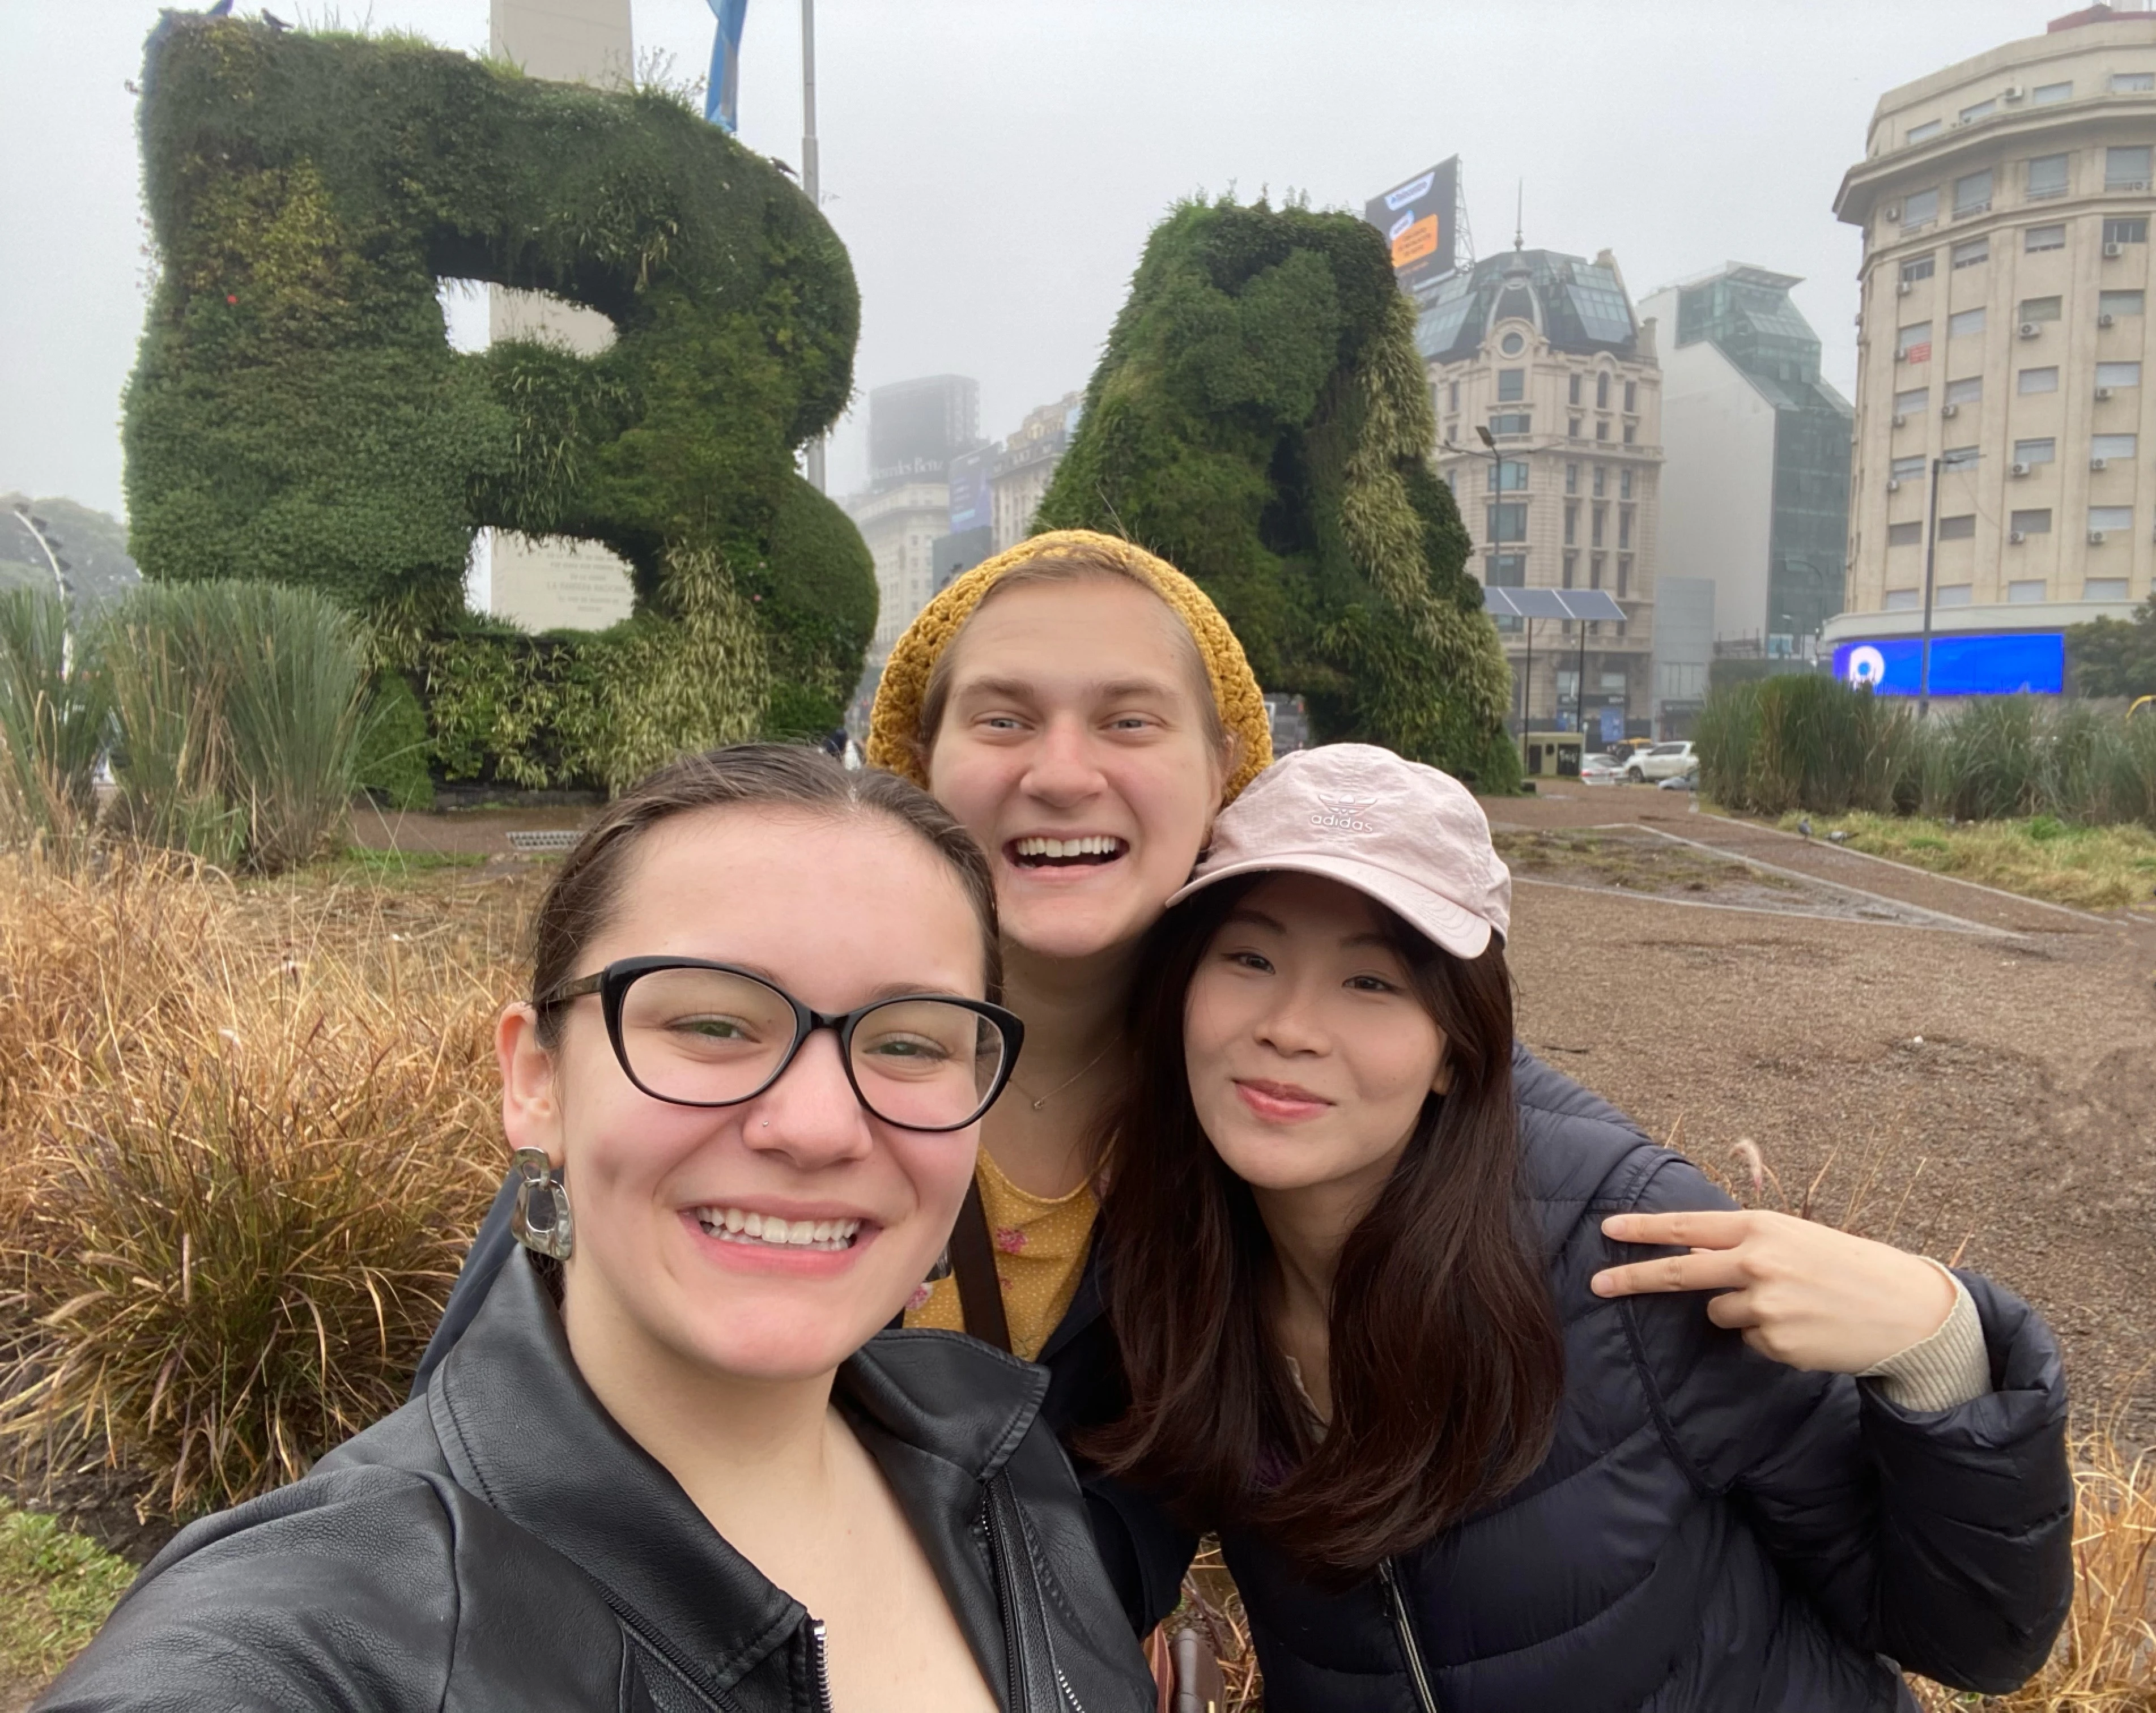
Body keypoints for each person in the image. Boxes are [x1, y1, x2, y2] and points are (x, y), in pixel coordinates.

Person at [40, 747, 1156, 1713]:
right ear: (535, 1079)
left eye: (910, 1044)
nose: (818, 1127)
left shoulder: (1007, 1467)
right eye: (714, 1023)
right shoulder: (326, 1627)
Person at [1088, 743, 2074, 1713]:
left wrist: (1936, 1341)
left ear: (1456, 1049)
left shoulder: (1626, 1257)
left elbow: (1975, 1640)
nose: (1290, 1026)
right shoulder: (1174, 1266)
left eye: (1372, 983)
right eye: (1250, 958)